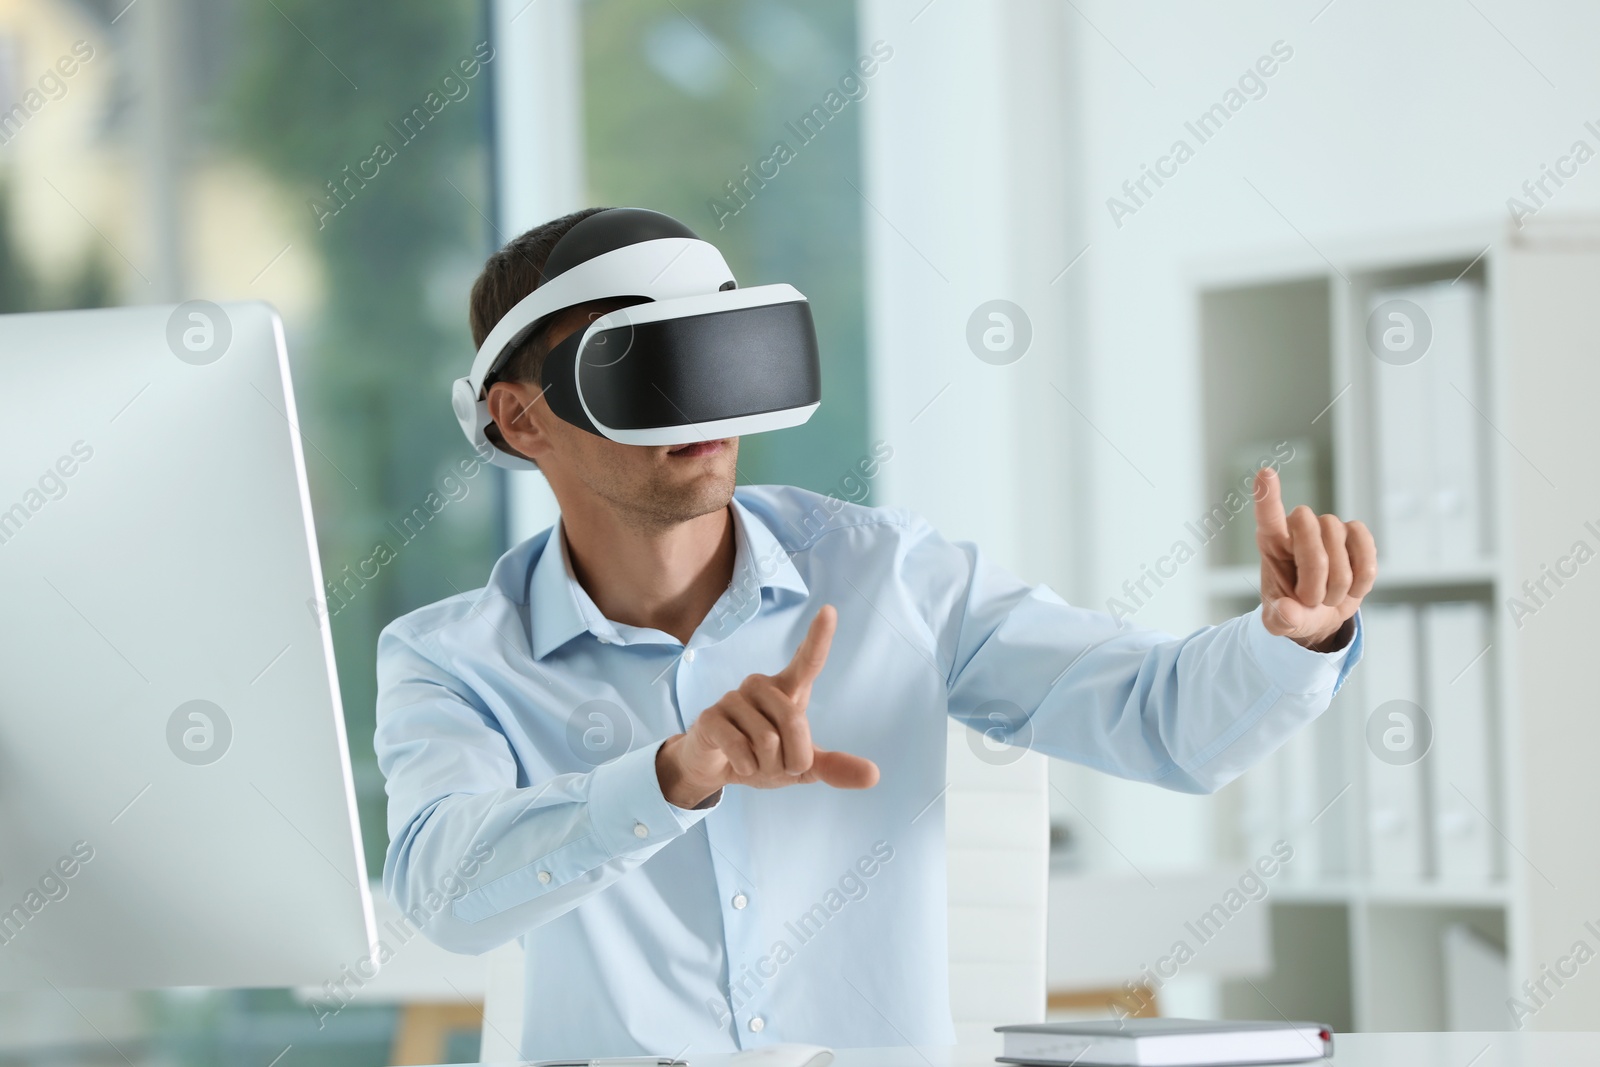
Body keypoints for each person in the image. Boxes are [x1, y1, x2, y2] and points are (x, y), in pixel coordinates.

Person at [375, 207, 1374, 1059]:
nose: (705, 402)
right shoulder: (452, 657)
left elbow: (1166, 724)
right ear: (521, 418)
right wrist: (671, 774)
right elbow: (445, 895)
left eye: (717, 352)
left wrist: (1294, 639)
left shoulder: (891, 576)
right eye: (643, 363)